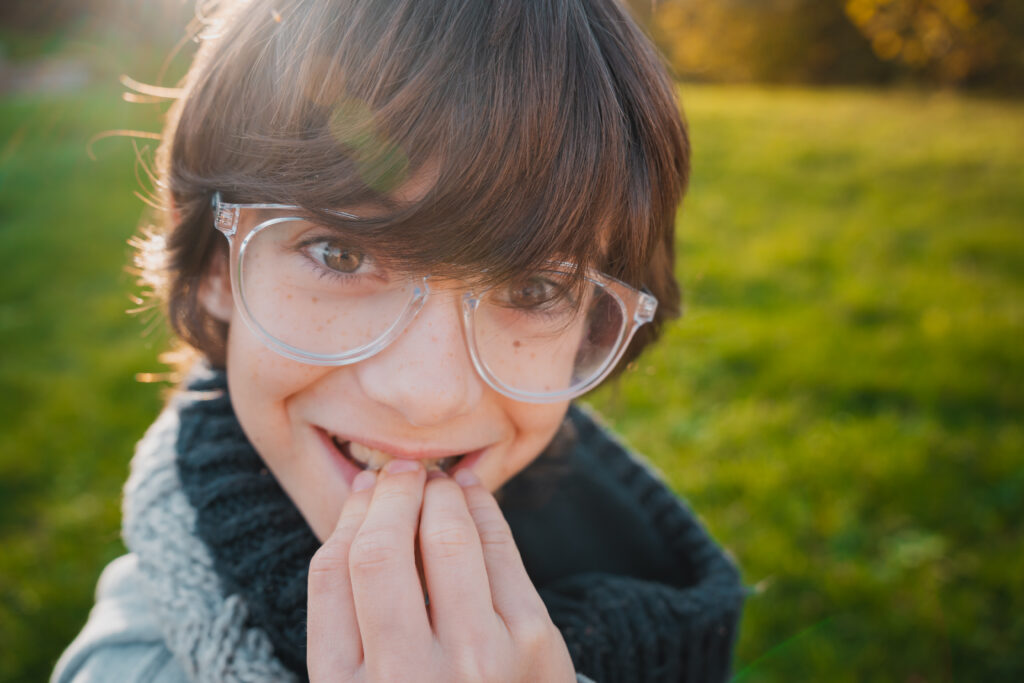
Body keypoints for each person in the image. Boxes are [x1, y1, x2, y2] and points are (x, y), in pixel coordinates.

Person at [53, 1, 744, 681]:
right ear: (212, 264)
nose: (426, 397)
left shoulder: (645, 561)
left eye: (532, 290)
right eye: (341, 255)